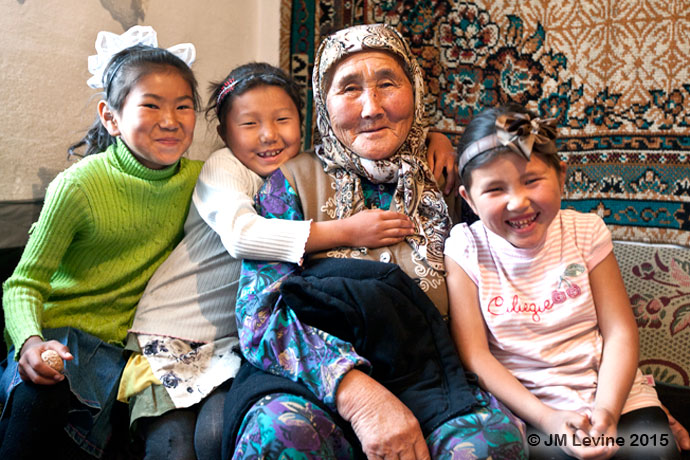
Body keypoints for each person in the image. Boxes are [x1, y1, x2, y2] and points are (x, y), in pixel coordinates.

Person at [222, 24, 528, 460]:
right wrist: (358, 394)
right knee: (281, 434)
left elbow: (530, 271)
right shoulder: (287, 185)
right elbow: (260, 316)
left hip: (432, 375)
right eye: (349, 89)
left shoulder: (457, 176)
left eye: (388, 84)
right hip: (310, 380)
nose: (372, 108)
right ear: (323, 107)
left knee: (487, 445)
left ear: (416, 91)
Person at [119, 60, 451, 460]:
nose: (268, 135)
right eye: (248, 124)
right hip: (171, 335)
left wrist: (435, 138)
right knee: (176, 447)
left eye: (282, 119)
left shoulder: (299, 172)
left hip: (229, 344)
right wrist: (348, 230)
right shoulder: (224, 167)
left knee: (213, 435)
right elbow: (242, 236)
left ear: (307, 120)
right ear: (224, 133)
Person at [0, 26, 202, 459]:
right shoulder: (79, 186)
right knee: (41, 399)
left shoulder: (202, 180)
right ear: (111, 118)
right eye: (151, 105)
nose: (171, 121)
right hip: (64, 341)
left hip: (138, 351)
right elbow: (23, 285)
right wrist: (31, 343)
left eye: (183, 107)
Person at [444, 103, 682, 459]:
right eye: (495, 190)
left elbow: (619, 331)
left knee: (655, 452)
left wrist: (607, 412)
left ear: (561, 176)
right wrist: (549, 418)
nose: (518, 202)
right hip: (530, 407)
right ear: (470, 200)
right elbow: (476, 356)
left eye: (531, 181)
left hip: (614, 393)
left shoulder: (585, 231)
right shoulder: (465, 248)